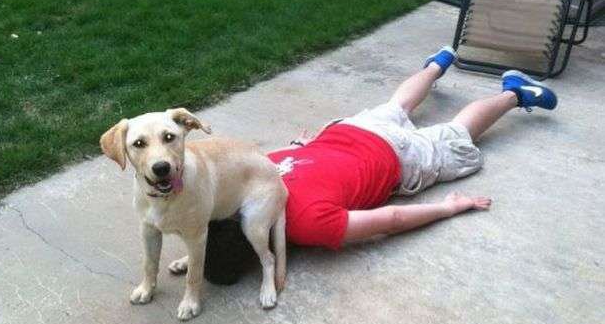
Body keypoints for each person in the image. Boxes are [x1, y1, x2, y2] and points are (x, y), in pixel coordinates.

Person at [202, 46, 558, 284]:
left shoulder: (308, 226)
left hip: (395, 156)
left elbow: (392, 219)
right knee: (396, 106)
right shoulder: (247, 181)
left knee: (457, 134)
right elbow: (277, 157)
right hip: (346, 130)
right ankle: (437, 64)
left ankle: (514, 92)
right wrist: (300, 146)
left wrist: (448, 208)